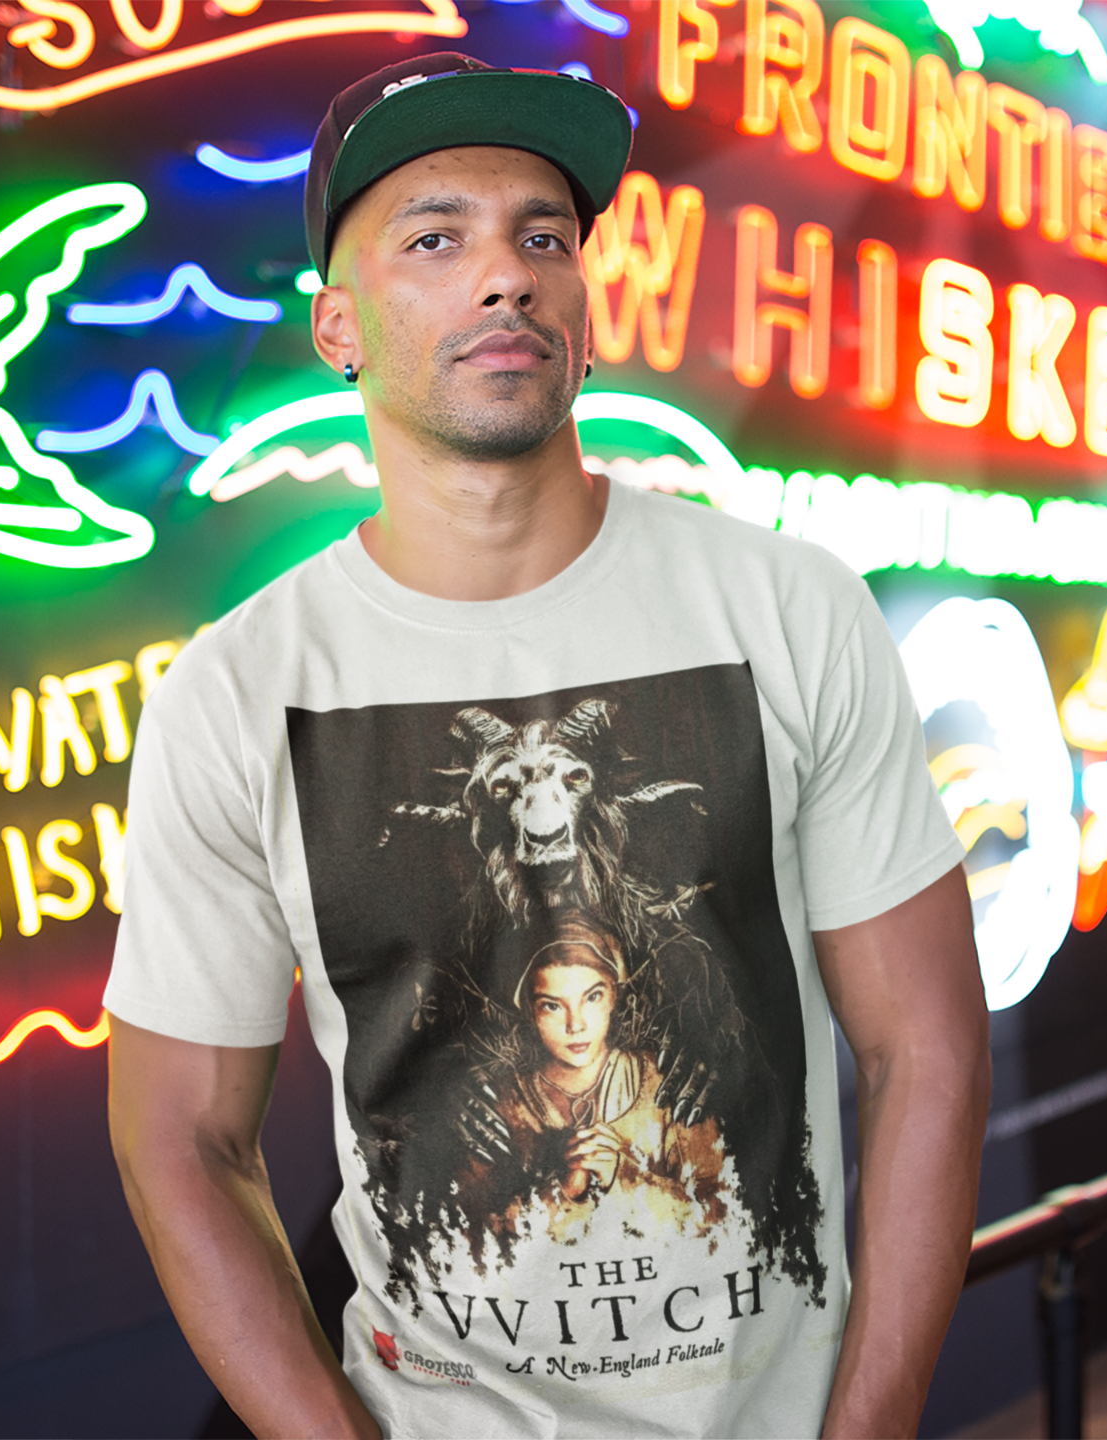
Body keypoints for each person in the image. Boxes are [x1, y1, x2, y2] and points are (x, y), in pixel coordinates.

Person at [104, 50, 991, 1440]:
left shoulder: (787, 607)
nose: (505, 277)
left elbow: (926, 1048)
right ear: (337, 326)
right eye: (435, 239)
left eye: (543, 239)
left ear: (582, 307)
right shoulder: (239, 693)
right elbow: (181, 1137)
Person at [457, 911, 728, 1235]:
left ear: (613, 995)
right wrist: (562, 1191)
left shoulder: (668, 1083)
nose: (576, 1024)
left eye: (592, 997)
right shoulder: (498, 1105)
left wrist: (623, 1175)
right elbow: (464, 1233)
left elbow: (722, 1215)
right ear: (530, 1010)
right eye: (552, 1005)